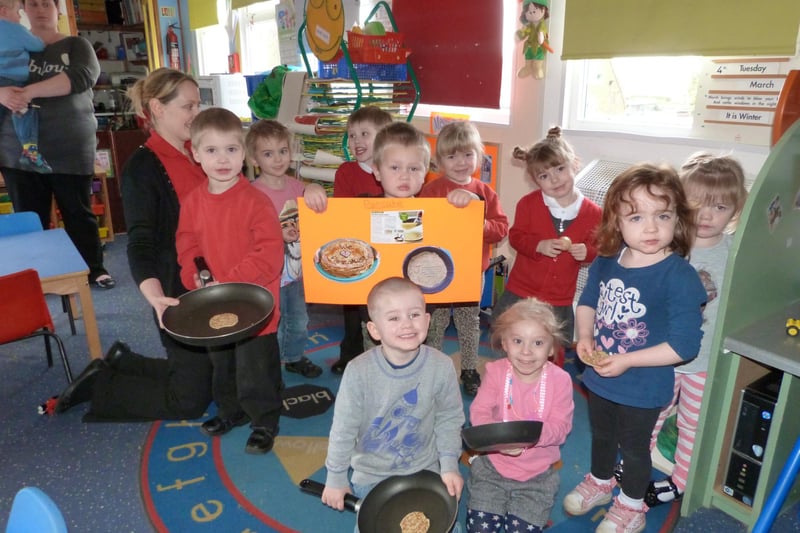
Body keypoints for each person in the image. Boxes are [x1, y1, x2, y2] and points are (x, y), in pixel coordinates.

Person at [53, 68, 214, 421]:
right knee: (190, 402)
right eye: (188, 107)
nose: (196, 114)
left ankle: (127, 361)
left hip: (206, 283)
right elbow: (140, 242)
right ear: (157, 108)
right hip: (174, 290)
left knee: (219, 378)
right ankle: (100, 385)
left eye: (198, 105)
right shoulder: (143, 166)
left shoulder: (199, 152)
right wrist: (156, 297)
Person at [563, 163, 706, 533]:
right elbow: (587, 301)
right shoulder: (608, 261)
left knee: (635, 447)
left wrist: (627, 360)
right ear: (616, 221)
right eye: (636, 216)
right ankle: (599, 479)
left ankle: (631, 506)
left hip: (643, 385)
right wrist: (583, 336)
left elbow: (684, 345)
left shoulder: (679, 276)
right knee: (602, 435)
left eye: (663, 215)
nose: (651, 227)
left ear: (678, 219)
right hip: (600, 376)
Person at [175, 107, 284, 455]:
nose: (222, 159)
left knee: (256, 368)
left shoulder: (256, 201)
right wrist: (194, 275)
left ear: (244, 153)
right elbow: (187, 244)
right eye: (211, 151)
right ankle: (230, 410)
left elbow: (269, 255)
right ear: (195, 153)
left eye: (231, 150)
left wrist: (228, 283)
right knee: (221, 364)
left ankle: (264, 419)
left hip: (255, 306)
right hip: (213, 302)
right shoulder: (192, 202)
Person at [643, 153, 748, 507]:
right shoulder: (667, 247)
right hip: (663, 356)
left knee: (692, 423)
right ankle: (636, 462)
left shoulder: (735, 253)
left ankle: (680, 480)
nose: (706, 216)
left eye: (719, 206)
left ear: (735, 208)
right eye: (698, 204)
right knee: (651, 412)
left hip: (704, 361)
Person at [321, 277, 465, 519]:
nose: (407, 324)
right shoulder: (358, 371)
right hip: (372, 474)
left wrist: (449, 464)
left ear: (427, 321)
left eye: (414, 314)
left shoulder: (441, 366)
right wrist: (335, 477)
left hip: (425, 469)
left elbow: (449, 418)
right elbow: (344, 428)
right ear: (374, 330)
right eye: (394, 318)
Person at [0, 0, 114, 289]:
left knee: (78, 212)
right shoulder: (10, 41)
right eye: (33, 4)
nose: (40, 9)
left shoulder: (76, 45)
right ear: (24, 9)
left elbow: (82, 76)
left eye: (47, 4)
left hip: (69, 147)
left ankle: (94, 270)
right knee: (29, 217)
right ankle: (38, 276)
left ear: (58, 10)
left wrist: (28, 93)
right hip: (18, 152)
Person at [305, 121, 432, 352]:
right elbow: (328, 224)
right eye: (395, 168)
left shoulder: (433, 214)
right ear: (376, 171)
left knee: (419, 364)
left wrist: (467, 200)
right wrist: (312, 191)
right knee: (375, 361)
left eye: (413, 168)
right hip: (375, 311)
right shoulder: (360, 208)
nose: (404, 176)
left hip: (416, 312)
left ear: (425, 173)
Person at [466, 297, 574, 533]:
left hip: (537, 477)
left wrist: (524, 437)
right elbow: (479, 411)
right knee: (479, 529)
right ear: (504, 343)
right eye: (517, 341)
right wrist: (498, 440)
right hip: (492, 469)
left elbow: (560, 428)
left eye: (537, 342)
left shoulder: (560, 381)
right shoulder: (495, 372)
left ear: (552, 348)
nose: (526, 352)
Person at [494, 127, 602, 358]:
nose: (554, 179)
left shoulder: (593, 213)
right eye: (544, 176)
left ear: (575, 164)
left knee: (553, 352)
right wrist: (537, 246)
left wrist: (588, 252)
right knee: (515, 345)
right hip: (522, 291)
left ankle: (552, 390)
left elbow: (599, 248)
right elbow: (516, 236)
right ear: (535, 181)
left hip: (559, 297)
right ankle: (511, 387)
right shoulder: (528, 204)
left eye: (560, 169)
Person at [419, 120, 509, 396]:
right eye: (452, 155)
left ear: (479, 157)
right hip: (437, 271)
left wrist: (480, 223)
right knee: (435, 322)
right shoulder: (432, 190)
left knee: (469, 323)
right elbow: (420, 226)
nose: (461, 162)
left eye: (468, 154)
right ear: (439, 161)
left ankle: (469, 369)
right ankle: (429, 368)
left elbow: (501, 228)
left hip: (472, 272)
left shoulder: (485, 192)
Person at [304, 105, 393, 374]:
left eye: (365, 133)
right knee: (353, 311)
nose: (356, 141)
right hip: (357, 252)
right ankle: (351, 355)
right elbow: (343, 213)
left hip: (388, 250)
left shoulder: (394, 168)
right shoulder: (346, 171)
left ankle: (389, 354)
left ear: (385, 136)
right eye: (352, 136)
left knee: (386, 306)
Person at [246, 119, 322, 378]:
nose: (277, 159)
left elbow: (317, 206)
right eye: (268, 154)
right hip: (269, 275)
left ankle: (293, 357)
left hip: (297, 271)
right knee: (271, 323)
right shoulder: (252, 193)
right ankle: (271, 363)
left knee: (299, 320)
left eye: (282, 151)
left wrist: (313, 187)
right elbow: (247, 235)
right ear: (254, 159)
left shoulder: (296, 186)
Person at [0, 0, 50, 172]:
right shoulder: (16, 29)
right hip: (14, 82)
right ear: (4, 11)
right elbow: (38, 45)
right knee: (24, 112)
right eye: (18, 12)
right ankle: (30, 151)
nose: (19, 17)